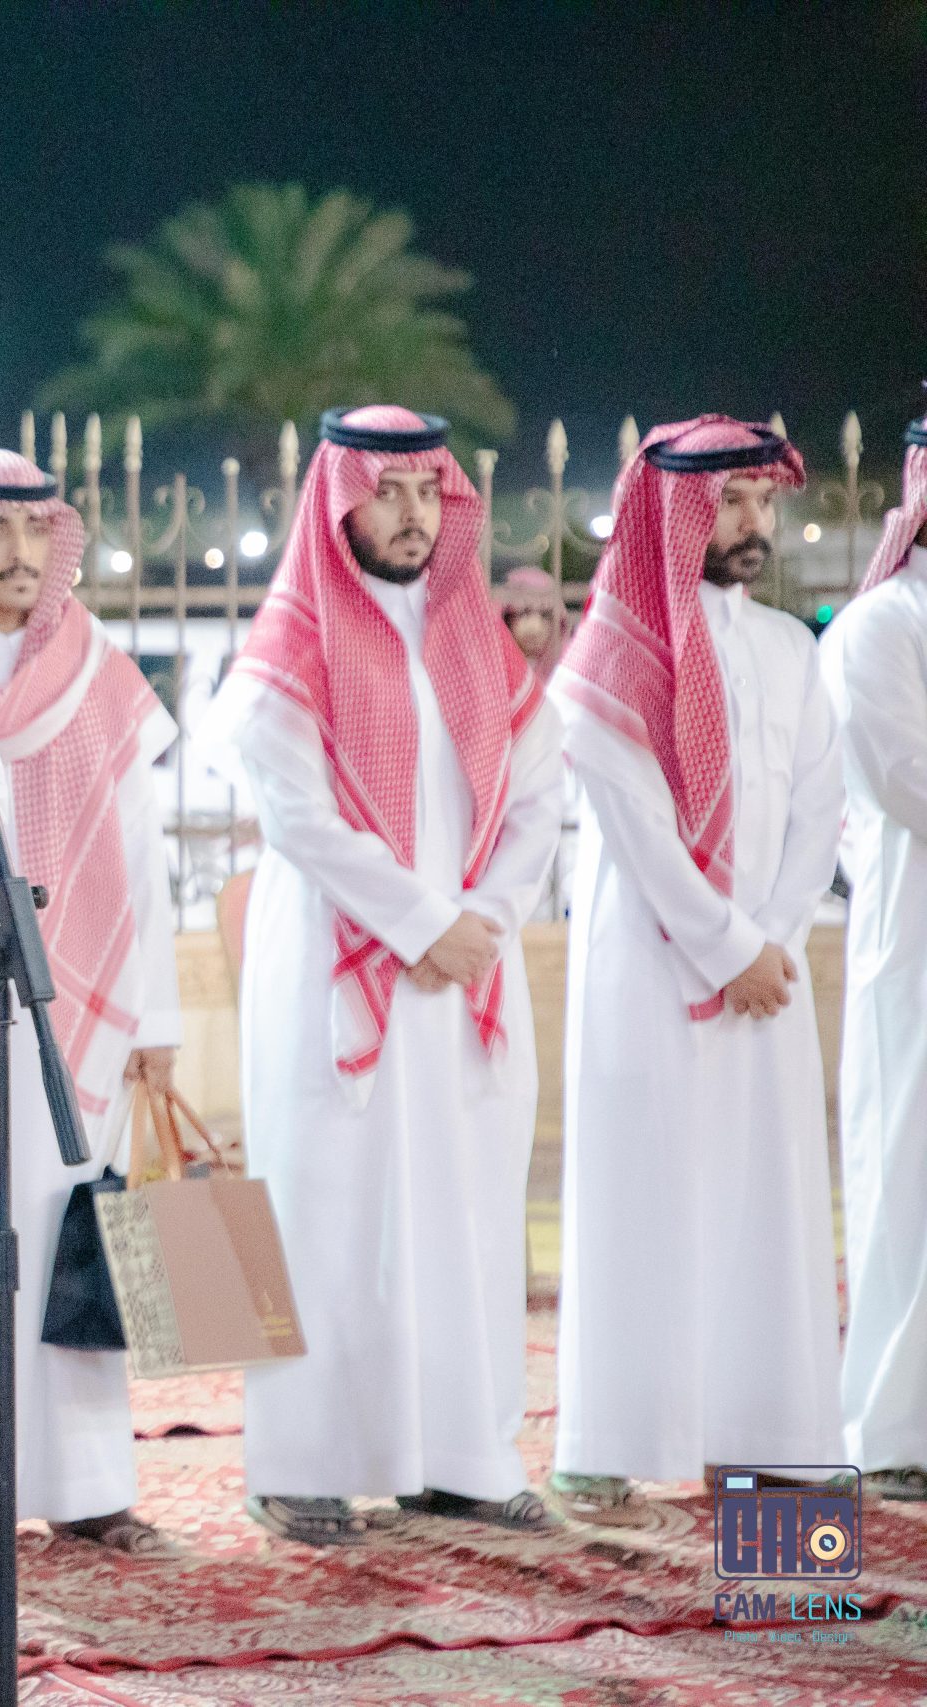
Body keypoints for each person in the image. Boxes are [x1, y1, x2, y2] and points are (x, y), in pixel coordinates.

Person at [210, 405, 563, 1547]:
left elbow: (539, 798)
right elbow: (298, 819)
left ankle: (462, 1460)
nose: (411, 514)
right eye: (387, 492)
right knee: (320, 1209)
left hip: (464, 978)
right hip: (332, 966)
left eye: (427, 492)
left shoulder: (480, 643)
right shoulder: (291, 648)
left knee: (466, 1211)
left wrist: (481, 921)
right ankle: (299, 1464)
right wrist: (423, 923)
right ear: (338, 505)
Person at [550, 416, 843, 1520]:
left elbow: (819, 809)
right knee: (644, 1198)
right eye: (729, 503)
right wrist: (728, 946)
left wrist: (772, 941)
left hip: (768, 978)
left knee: (764, 1207)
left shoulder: (792, 647)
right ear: (674, 517)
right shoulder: (610, 660)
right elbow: (637, 829)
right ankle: (612, 1440)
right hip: (651, 971)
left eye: (763, 501)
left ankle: (758, 1440)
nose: (754, 522)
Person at [0, 448, 178, 1557]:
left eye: (36, 531)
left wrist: (157, 1021)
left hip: (81, 1001)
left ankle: (89, 1488)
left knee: (76, 1233)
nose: (20, 552)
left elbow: (141, 851)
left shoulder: (97, 667)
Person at [818, 408, 927, 1498]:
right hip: (916, 949)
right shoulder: (880, 626)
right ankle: (895, 1434)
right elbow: (905, 777)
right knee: (910, 1178)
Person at [495, 566, 572, 680]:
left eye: (545, 615)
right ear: (506, 618)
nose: (535, 627)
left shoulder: (566, 671)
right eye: (524, 613)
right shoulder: (496, 670)